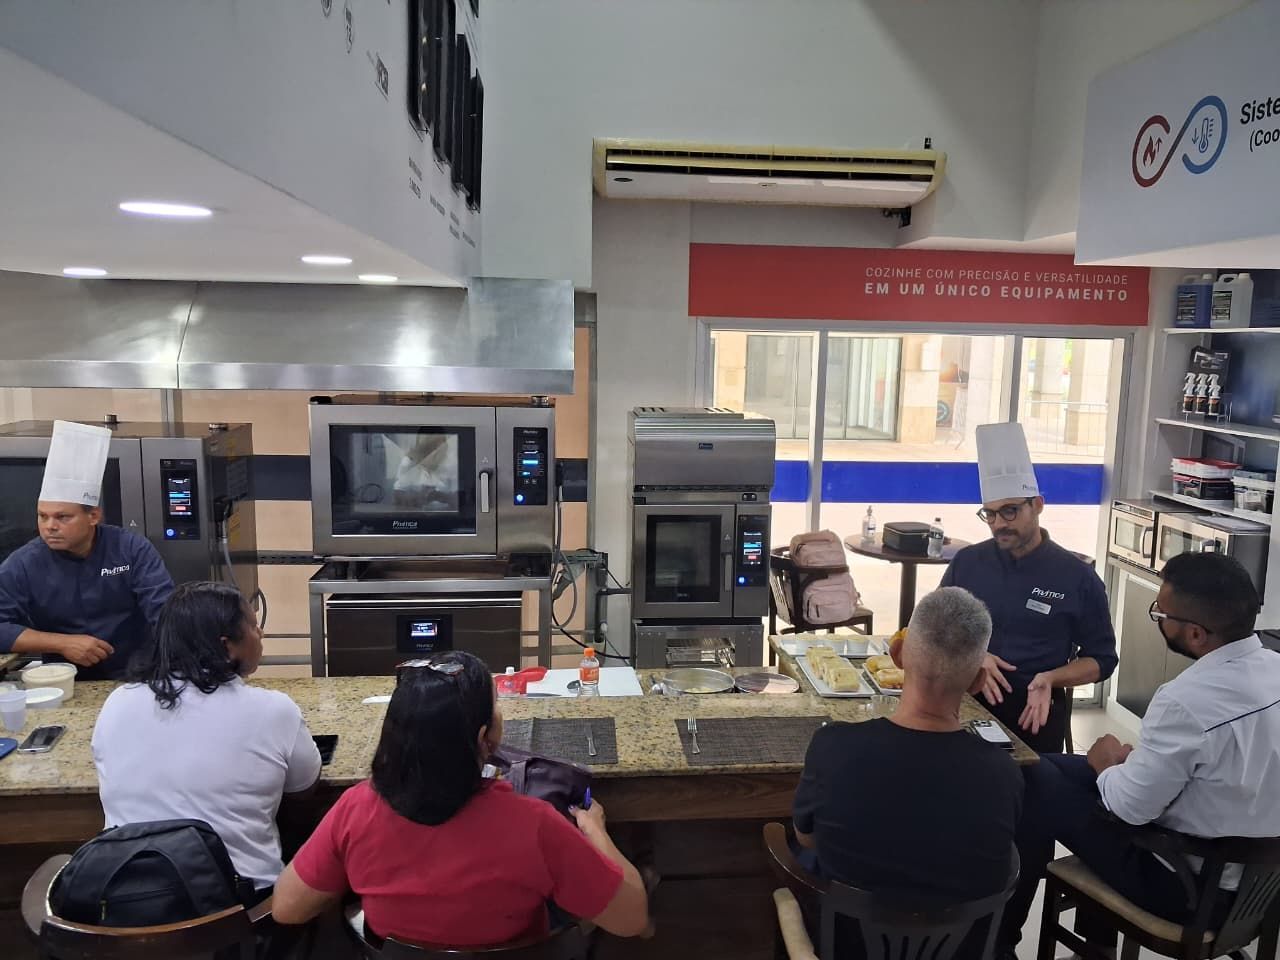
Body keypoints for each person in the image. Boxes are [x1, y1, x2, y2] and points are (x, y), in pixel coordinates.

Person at [1000, 552, 1280, 953]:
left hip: (1186, 889)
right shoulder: (1274, 669)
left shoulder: (1185, 701)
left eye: (1160, 614)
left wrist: (1105, 765)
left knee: (1030, 781)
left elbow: (1130, 810)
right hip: (1261, 883)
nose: (1159, 620)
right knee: (1046, 766)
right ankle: (1090, 936)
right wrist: (1125, 767)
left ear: (1197, 634)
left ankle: (1005, 938)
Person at [271, 650, 650, 946]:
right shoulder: (534, 823)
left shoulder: (356, 808)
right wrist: (596, 831)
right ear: (485, 736)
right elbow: (632, 919)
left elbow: (287, 908)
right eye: (497, 704)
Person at [793, 586, 1023, 903]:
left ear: (897, 655)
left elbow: (806, 838)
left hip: (845, 940)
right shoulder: (1004, 773)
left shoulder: (834, 747)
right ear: (978, 682)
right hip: (959, 947)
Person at [92, 580, 321, 894]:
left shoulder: (118, 702)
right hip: (241, 908)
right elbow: (304, 789)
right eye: (254, 626)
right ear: (228, 646)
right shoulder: (273, 710)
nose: (260, 635)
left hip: (128, 899)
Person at [940, 421, 1117, 753]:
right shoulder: (967, 562)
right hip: (959, 707)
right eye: (989, 515)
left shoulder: (1077, 578)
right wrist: (975, 655)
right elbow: (933, 629)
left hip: (1032, 714)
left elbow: (1103, 659)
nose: (999, 524)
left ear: (1037, 504)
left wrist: (1051, 679)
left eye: (1010, 511)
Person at [0, 421, 174, 679]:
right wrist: (61, 643)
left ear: (93, 516)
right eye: (42, 516)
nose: (50, 527)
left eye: (62, 517)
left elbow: (166, 613)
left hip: (140, 676)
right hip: (64, 681)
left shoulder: (131, 549)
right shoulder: (25, 563)